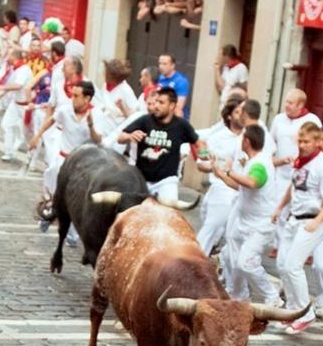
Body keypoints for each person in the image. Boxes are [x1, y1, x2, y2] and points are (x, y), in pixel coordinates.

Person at [270, 122, 323, 332]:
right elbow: (294, 186)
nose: (302, 145)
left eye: (306, 141)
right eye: (300, 140)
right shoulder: (300, 162)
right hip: (294, 218)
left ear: (317, 142)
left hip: (312, 220)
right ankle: (292, 310)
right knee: (282, 265)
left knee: (293, 265)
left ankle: (305, 312)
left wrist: (317, 222)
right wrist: (280, 207)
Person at [215, 124, 278, 307]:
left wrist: (229, 171)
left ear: (247, 141)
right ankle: (239, 296)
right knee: (232, 259)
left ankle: (272, 296)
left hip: (260, 224)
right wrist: (220, 174)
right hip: (244, 222)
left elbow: (251, 183)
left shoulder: (259, 164)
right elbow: (240, 187)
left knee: (246, 263)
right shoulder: (252, 162)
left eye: (242, 139)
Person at [115, 86, 199, 204]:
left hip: (167, 181)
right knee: (126, 210)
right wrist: (129, 136)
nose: (156, 106)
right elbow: (120, 138)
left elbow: (198, 142)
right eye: (156, 102)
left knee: (169, 214)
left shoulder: (181, 125)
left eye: (161, 103)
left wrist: (203, 155)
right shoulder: (145, 120)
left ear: (172, 106)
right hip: (141, 180)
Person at [195, 96, 246, 255]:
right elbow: (201, 162)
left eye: (243, 111)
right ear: (229, 116)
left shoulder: (251, 136)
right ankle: (197, 258)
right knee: (212, 226)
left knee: (231, 236)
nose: (242, 115)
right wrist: (213, 167)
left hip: (242, 190)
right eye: (237, 112)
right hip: (220, 188)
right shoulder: (218, 138)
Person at [269, 88, 320, 181]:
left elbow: (318, 148)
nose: (286, 105)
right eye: (286, 102)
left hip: (302, 175)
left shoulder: (312, 120)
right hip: (279, 174)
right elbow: (270, 144)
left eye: (290, 103)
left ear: (300, 105)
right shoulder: (278, 119)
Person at [154, 53, 190, 118]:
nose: (161, 66)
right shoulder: (160, 78)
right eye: (160, 63)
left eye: (164, 64)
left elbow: (179, 106)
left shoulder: (180, 81)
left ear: (172, 65)